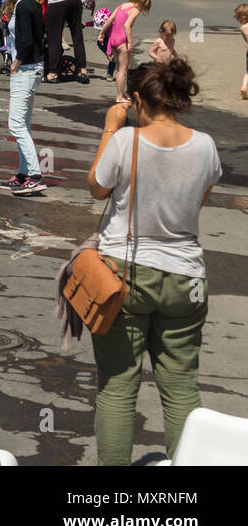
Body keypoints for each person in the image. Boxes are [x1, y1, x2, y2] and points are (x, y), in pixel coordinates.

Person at [85, 60, 221, 466]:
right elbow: (197, 201)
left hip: (125, 273)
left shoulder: (126, 140)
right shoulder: (206, 146)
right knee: (181, 390)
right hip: (186, 277)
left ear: (138, 99)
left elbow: (97, 187)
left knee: (117, 387)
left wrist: (110, 127)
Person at [0, 0, 48, 196]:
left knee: (16, 124)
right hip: (32, 67)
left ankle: (35, 175)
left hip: (26, 68)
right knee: (23, 124)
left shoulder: (24, 4)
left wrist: (15, 64)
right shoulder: (32, 1)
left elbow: (27, 40)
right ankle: (23, 173)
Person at [101, 0, 151, 102]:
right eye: (144, 6)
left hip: (113, 40)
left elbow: (109, 20)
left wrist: (101, 33)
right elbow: (127, 25)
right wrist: (130, 42)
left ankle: (122, 94)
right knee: (122, 70)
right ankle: (119, 96)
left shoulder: (121, 6)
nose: (143, 9)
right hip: (122, 41)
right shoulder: (135, 10)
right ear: (142, 2)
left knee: (119, 69)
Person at [236, 4, 248, 100]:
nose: (239, 21)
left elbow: (246, 40)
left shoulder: (243, 28)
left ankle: (244, 87)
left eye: (239, 19)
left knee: (247, 72)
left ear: (243, 17)